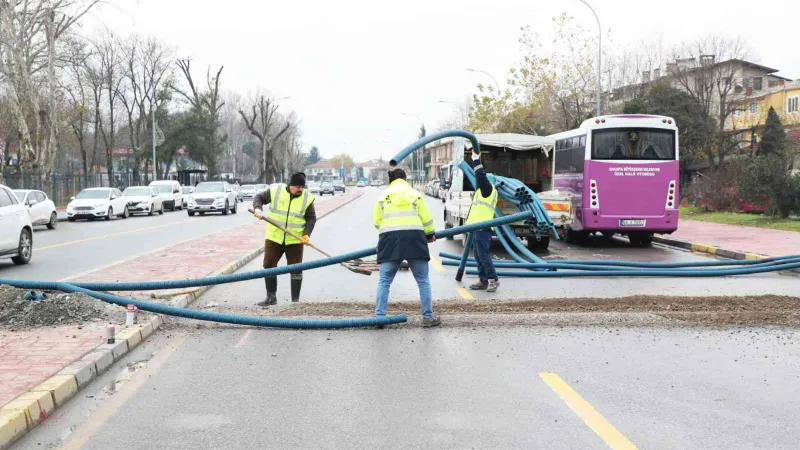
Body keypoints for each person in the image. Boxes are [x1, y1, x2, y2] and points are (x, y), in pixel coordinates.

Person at [373, 168, 440, 327]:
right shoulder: (415, 194)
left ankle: (379, 318)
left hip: (390, 241)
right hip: (414, 239)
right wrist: (429, 235)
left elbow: (377, 222)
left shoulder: (383, 197)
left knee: (384, 281)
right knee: (423, 280)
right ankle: (427, 318)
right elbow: (427, 219)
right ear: (405, 179)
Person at [252, 172, 316, 306]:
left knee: (296, 269)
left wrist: (306, 234)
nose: (300, 189)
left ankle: (295, 302)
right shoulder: (276, 191)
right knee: (269, 265)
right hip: (274, 237)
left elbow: (311, 218)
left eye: (302, 187)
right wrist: (257, 209)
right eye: (298, 186)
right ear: (290, 185)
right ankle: (271, 298)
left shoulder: (307, 198)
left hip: (295, 240)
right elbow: (259, 197)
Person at [466, 150, 499, 292]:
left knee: (483, 256)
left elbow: (480, 176)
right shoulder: (481, 192)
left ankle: (493, 280)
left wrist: (476, 159)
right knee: (478, 256)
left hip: (483, 228)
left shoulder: (488, 190)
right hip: (476, 228)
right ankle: (483, 280)